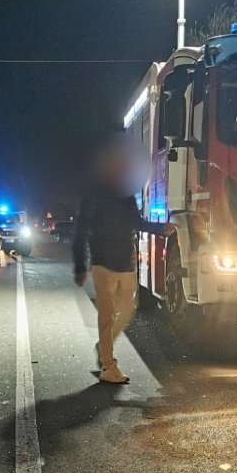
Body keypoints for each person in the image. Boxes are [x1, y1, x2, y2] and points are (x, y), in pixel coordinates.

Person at [73, 142, 173, 385]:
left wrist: (161, 229)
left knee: (128, 309)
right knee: (107, 315)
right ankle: (108, 365)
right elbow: (81, 230)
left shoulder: (126, 195)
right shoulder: (92, 196)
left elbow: (136, 222)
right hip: (102, 262)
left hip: (126, 262)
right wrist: (80, 265)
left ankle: (102, 346)